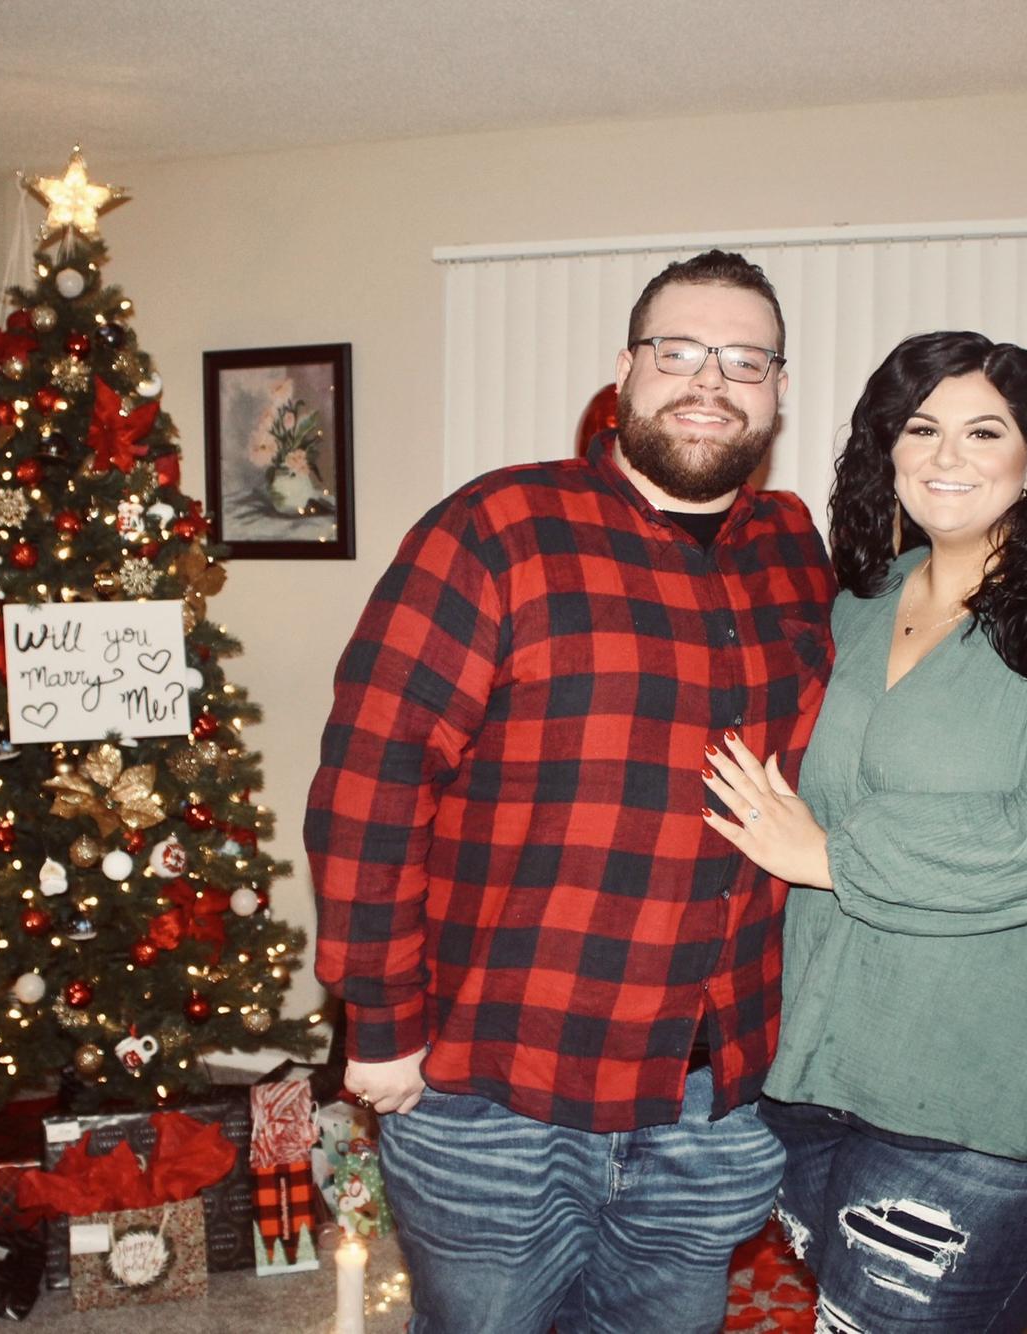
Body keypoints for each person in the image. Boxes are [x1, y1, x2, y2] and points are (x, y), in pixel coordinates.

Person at [306, 250, 836, 1334]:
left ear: (778, 389)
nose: (709, 380)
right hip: (500, 1085)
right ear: (625, 369)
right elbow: (374, 774)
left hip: (710, 1094)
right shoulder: (498, 526)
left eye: (744, 360)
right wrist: (381, 1020)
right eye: (677, 351)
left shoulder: (793, 548)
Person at [701, 330, 1027, 1332]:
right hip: (826, 1062)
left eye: (984, 431)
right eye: (921, 428)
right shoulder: (856, 605)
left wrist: (830, 855)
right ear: (887, 450)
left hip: (1009, 1075)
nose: (946, 455)